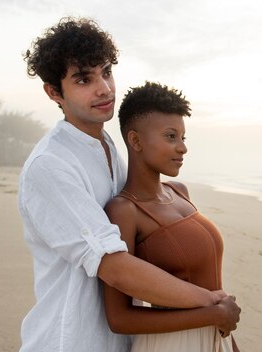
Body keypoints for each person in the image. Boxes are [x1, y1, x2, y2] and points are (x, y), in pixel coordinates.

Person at [18, 17, 240, 352]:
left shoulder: (105, 146)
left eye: (106, 71)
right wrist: (211, 304)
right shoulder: (51, 166)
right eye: (83, 79)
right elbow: (115, 266)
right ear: (54, 92)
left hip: (124, 343)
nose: (104, 88)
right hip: (72, 341)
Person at [103, 81, 240, 352]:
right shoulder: (124, 211)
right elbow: (119, 318)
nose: (182, 148)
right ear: (135, 140)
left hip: (215, 337)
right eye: (170, 136)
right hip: (171, 343)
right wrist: (213, 315)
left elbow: (213, 291)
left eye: (183, 137)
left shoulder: (179, 192)